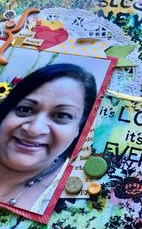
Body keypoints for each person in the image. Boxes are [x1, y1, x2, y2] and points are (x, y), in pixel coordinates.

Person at [0, 63, 97, 212]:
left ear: (79, 128)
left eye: (62, 115)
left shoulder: (75, 202)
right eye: (25, 109)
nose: (34, 130)